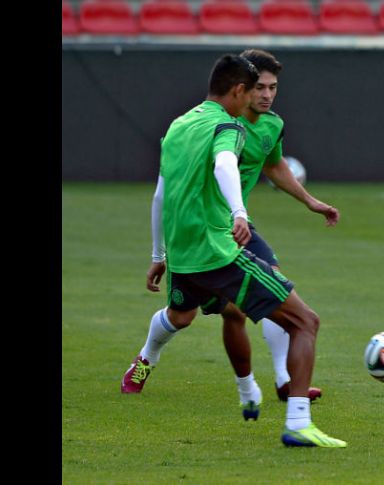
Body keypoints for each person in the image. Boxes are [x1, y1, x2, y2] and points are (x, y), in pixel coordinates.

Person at [121, 54, 346, 448]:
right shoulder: (230, 125)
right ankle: (298, 422)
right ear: (240, 90)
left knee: (191, 314)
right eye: (256, 89)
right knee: (305, 321)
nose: (263, 96)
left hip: (184, 251)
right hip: (218, 247)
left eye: (272, 88)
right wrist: (239, 211)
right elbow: (225, 164)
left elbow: (160, 194)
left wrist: (159, 255)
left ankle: (271, 382)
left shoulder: (178, 126)